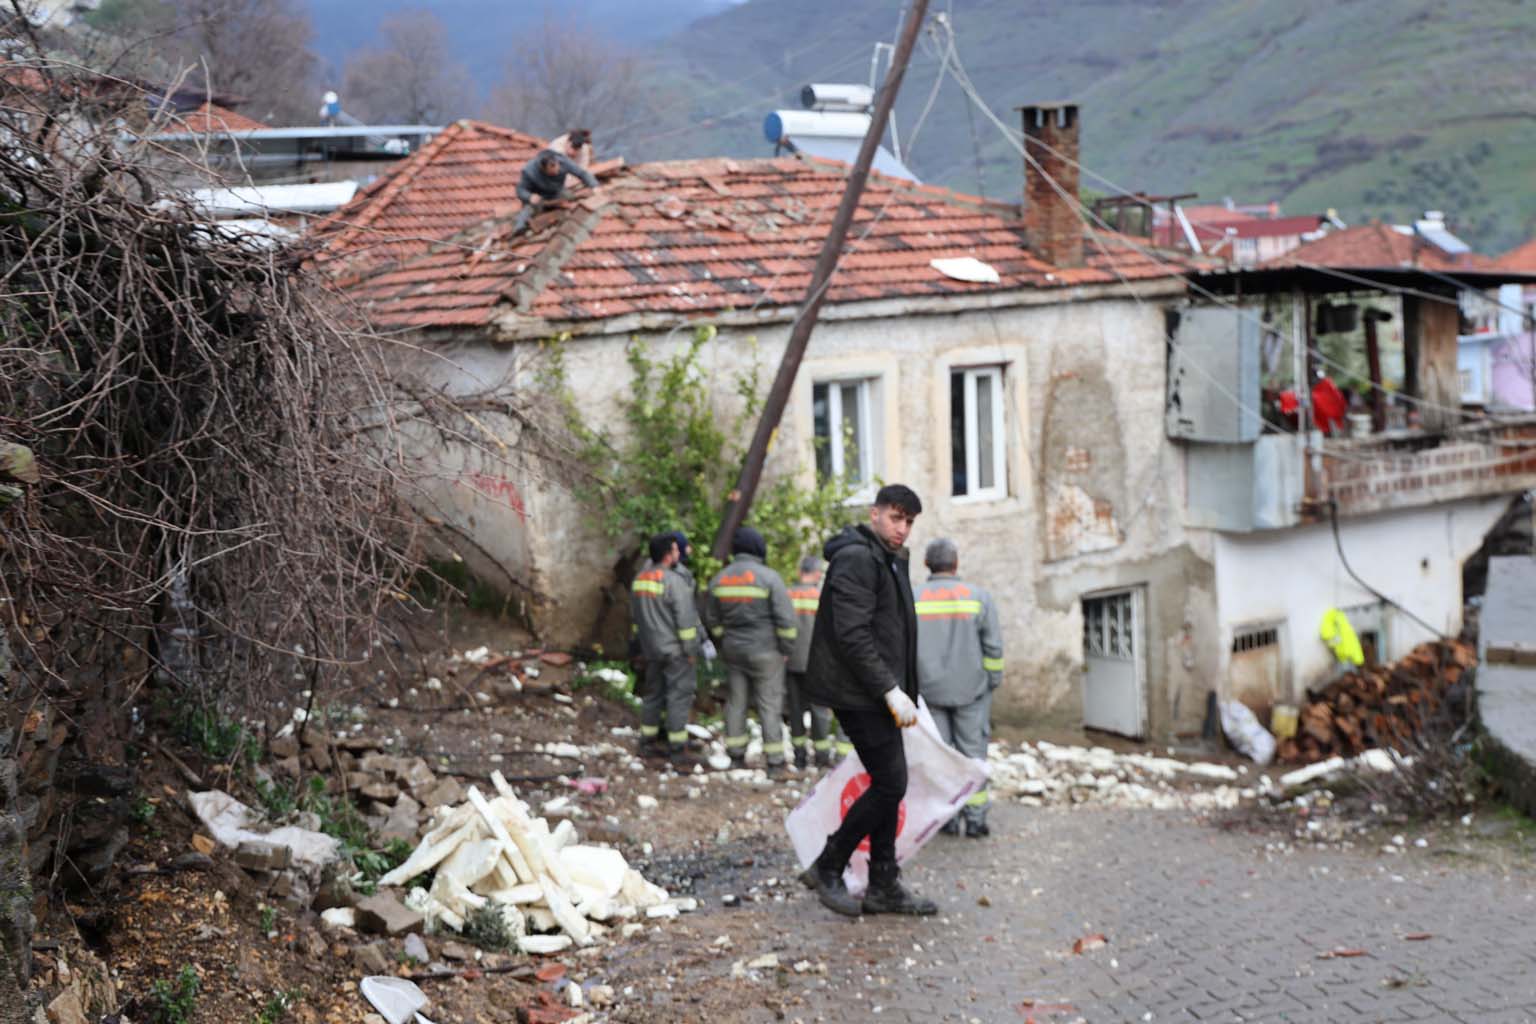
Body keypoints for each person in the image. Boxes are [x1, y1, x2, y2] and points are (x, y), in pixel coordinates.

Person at [798, 484, 937, 917]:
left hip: (877, 691)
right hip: (858, 692)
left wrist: (903, 689)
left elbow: (890, 630)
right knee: (891, 782)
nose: (902, 529)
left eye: (909, 522)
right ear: (875, 514)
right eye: (895, 518)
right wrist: (889, 689)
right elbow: (853, 634)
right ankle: (828, 864)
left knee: (890, 784)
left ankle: (882, 884)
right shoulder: (858, 558)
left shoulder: (889, 557)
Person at [915, 538, 1003, 838]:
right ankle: (976, 820)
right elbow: (993, 649)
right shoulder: (979, 597)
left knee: (940, 759)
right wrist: (989, 683)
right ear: (956, 563)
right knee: (973, 755)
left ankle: (947, 820)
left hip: (929, 692)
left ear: (927, 564)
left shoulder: (912, 598)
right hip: (972, 692)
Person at [704, 526, 797, 778]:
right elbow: (787, 622)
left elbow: (711, 619)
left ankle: (735, 758)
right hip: (766, 652)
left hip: (734, 651)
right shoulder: (769, 578)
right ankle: (775, 763)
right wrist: (786, 649)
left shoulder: (720, 579)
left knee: (736, 702)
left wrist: (724, 642)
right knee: (769, 705)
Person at [630, 532, 702, 765]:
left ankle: (647, 742)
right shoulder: (673, 582)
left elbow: (636, 617)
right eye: (675, 550)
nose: (678, 553)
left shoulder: (640, 579)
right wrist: (691, 651)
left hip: (651, 649)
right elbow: (686, 622)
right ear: (668, 555)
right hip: (675, 651)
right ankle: (677, 748)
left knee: (653, 695)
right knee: (678, 697)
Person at [785, 555, 833, 770]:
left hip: (791, 661)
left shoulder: (786, 595)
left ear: (798, 571)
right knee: (820, 711)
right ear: (815, 573)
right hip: (817, 663)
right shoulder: (823, 596)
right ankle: (822, 756)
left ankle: (799, 756)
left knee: (795, 711)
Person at [512, 147, 599, 234]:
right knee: (527, 211)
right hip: (539, 199)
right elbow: (520, 190)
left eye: (557, 168)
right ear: (543, 169)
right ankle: (519, 229)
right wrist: (529, 196)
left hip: (557, 193)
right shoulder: (529, 171)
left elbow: (582, 173)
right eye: (552, 172)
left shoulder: (563, 161)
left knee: (574, 198)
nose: (556, 171)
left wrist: (594, 186)